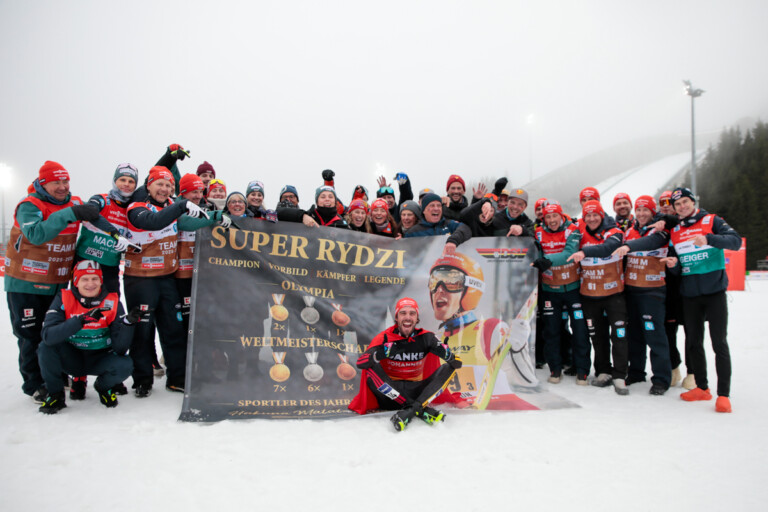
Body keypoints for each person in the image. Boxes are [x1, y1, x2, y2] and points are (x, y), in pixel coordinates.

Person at [123, 166, 228, 397]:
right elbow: (153, 222)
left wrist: (218, 217)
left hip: (166, 278)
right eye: (160, 184)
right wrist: (180, 205)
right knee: (143, 331)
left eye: (169, 185)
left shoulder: (172, 208)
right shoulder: (137, 208)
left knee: (173, 329)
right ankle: (142, 379)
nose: (164, 189)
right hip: (140, 280)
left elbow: (188, 223)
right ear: (148, 185)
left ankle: (177, 378)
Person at [5, 161, 100, 402]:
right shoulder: (30, 205)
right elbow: (36, 235)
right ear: (43, 183)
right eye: (56, 182)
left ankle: (53, 372)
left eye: (65, 181)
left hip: (57, 282)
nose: (61, 186)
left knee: (56, 332)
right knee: (31, 334)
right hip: (26, 283)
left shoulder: (73, 202)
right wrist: (70, 214)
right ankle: (35, 383)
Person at [665, 187, 741, 413]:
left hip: (715, 292)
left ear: (693, 201)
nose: (682, 207)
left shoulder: (712, 220)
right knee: (693, 343)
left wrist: (709, 238)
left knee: (719, 343)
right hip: (690, 295)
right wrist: (674, 266)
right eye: (678, 205)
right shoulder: (676, 231)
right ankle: (702, 387)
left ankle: (724, 395)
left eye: (685, 202)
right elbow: (679, 267)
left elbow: (735, 242)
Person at [37, 261, 145, 414]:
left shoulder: (112, 301)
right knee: (45, 348)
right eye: (84, 279)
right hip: (72, 357)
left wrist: (128, 324)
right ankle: (55, 395)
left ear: (101, 280)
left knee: (125, 365)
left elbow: (120, 348)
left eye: (94, 279)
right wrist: (80, 321)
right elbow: (48, 336)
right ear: (76, 282)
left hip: (99, 358)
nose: (90, 284)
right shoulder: (64, 297)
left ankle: (103, 387)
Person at [349, 298, 462, 431]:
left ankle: (411, 410)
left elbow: (457, 363)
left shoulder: (426, 337)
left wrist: (448, 355)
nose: (407, 317)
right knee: (370, 367)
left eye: (412, 313)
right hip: (389, 395)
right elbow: (361, 363)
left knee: (449, 367)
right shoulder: (385, 337)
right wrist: (380, 354)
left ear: (417, 318)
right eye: (403, 313)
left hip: (417, 392)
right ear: (396, 317)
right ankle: (418, 409)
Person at [611, 195, 672, 395]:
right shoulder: (629, 231)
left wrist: (629, 247)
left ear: (653, 212)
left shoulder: (660, 230)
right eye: (639, 210)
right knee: (635, 334)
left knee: (655, 335)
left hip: (652, 290)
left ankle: (661, 379)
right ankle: (636, 371)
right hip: (632, 289)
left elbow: (650, 242)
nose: (642, 213)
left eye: (646, 210)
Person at [568, 200, 629, 395]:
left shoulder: (613, 230)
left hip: (614, 294)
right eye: (588, 215)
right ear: (584, 217)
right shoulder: (579, 232)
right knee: (598, 336)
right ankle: (603, 371)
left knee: (619, 335)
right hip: (590, 294)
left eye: (595, 215)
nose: (592, 219)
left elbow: (608, 248)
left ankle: (620, 375)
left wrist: (584, 252)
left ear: (602, 215)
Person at [532, 202, 591, 384]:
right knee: (552, 331)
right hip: (550, 290)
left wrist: (545, 260)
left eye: (554, 216)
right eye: (547, 217)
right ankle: (555, 369)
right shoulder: (539, 232)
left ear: (561, 215)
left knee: (580, 330)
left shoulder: (571, 229)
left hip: (573, 288)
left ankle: (582, 370)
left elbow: (569, 253)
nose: (551, 220)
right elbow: (534, 252)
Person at [74, 163, 140, 295]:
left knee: (111, 307)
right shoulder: (102, 199)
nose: (126, 184)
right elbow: (91, 213)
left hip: (110, 267)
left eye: (131, 181)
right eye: (122, 179)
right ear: (115, 181)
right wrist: (116, 235)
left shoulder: (133, 209)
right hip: (85, 263)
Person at [403, 193, 472, 253]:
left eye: (439, 205)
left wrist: (453, 240)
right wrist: (398, 242)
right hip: (425, 267)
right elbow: (407, 255)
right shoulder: (413, 232)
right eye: (432, 205)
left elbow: (466, 229)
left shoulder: (449, 224)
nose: (436, 208)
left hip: (448, 264)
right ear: (424, 211)